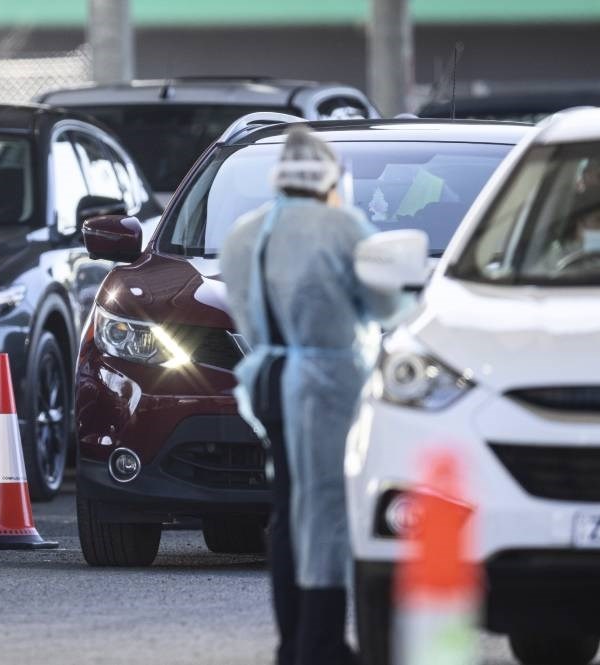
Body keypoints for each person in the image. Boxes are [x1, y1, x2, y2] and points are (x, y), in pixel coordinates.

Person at [219, 126, 401, 665]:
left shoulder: (243, 234)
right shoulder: (343, 226)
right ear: (330, 178)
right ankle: (320, 645)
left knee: (287, 508)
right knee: (325, 510)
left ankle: (291, 642)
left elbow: (244, 310)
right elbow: (384, 307)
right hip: (328, 384)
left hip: (269, 380)